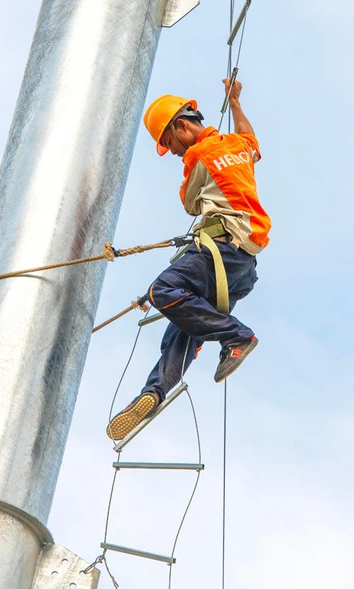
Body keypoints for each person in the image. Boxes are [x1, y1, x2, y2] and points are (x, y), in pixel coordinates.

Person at [106, 79, 270, 442]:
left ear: (182, 126)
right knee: (184, 329)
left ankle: (237, 336)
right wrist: (235, 103)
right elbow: (251, 139)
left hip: (219, 251)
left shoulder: (197, 156)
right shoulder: (239, 147)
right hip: (243, 268)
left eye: (169, 142)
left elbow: (189, 203)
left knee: (163, 290)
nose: (173, 152)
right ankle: (154, 392)